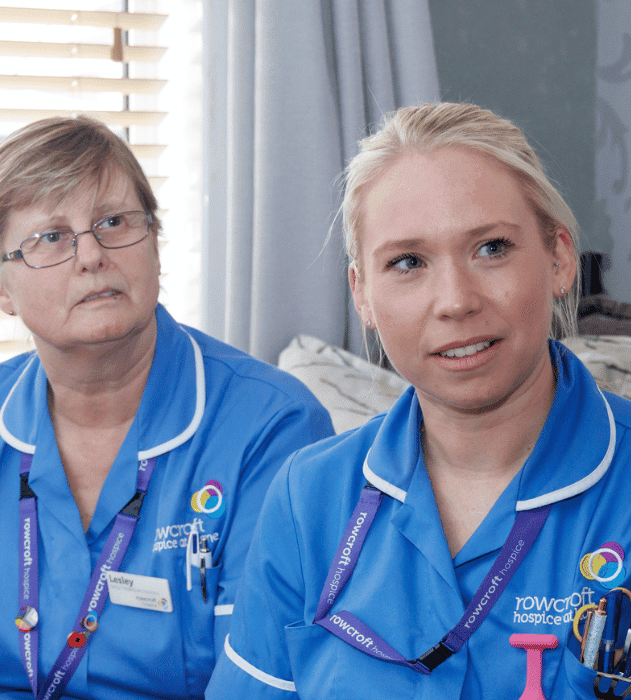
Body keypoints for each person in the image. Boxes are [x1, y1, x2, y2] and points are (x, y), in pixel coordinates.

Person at [205, 102, 631, 699]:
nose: (455, 300)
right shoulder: (309, 496)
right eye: (408, 262)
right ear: (364, 296)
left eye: (491, 248)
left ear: (558, 259)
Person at [0, 116, 334, 700]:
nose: (91, 255)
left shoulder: (274, 428)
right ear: (0, 289)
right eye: (51, 237)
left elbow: (263, 683)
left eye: (113, 222)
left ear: (155, 244)